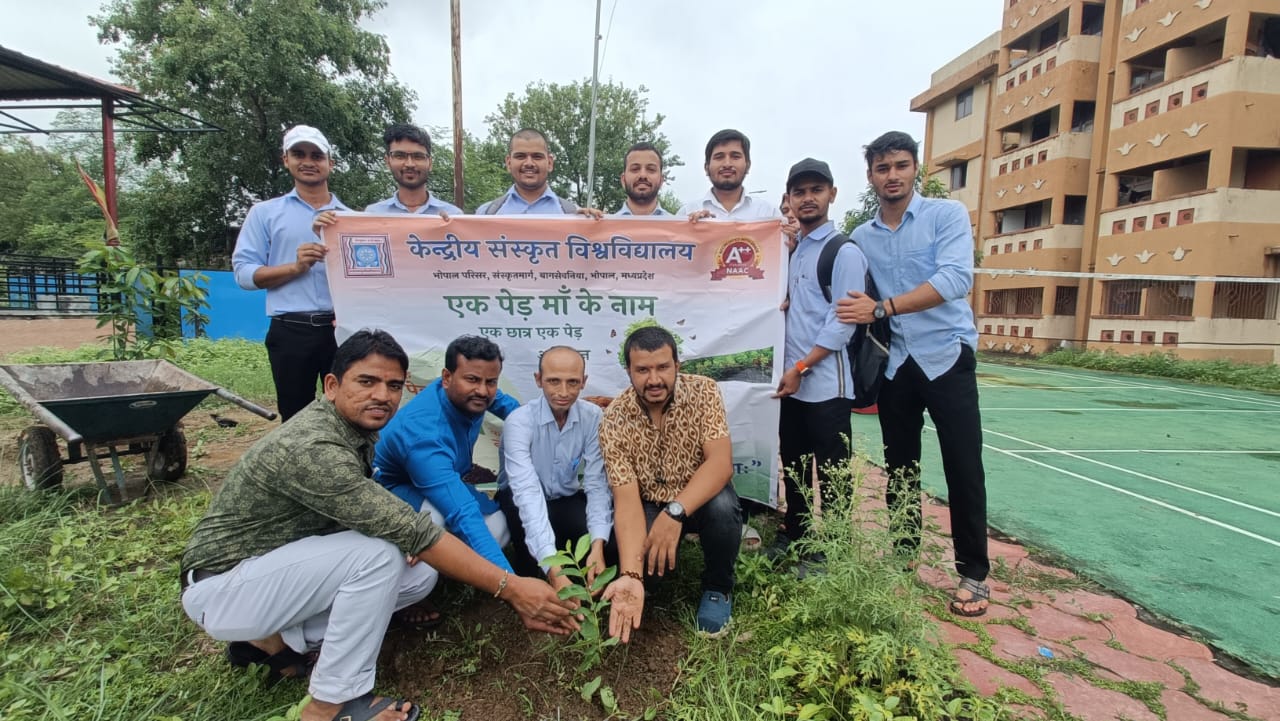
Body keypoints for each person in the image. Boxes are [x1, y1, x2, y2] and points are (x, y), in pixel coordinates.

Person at [180, 330, 575, 721]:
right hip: (225, 584)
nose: (382, 395)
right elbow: (425, 528)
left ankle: (274, 641)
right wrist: (512, 587)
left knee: (416, 577)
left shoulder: (350, 427)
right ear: (332, 385)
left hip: (275, 573)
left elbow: (507, 409)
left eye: (393, 385)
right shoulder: (316, 448)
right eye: (366, 382)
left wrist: (566, 412)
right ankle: (329, 704)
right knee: (382, 554)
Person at [835, 130, 990, 617]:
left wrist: (883, 308)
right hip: (897, 363)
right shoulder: (862, 235)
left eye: (901, 166)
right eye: (883, 169)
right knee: (900, 465)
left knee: (963, 464)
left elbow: (954, 279)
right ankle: (904, 557)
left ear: (916, 169)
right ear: (871, 177)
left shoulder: (946, 216)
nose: (893, 176)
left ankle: (974, 573)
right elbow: (839, 283)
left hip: (946, 356)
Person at [597, 326, 740, 640]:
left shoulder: (704, 391)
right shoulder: (614, 419)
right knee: (642, 567)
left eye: (663, 367)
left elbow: (720, 464)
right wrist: (631, 573)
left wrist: (675, 512)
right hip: (648, 501)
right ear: (629, 371)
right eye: (642, 370)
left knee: (723, 507)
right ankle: (642, 580)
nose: (654, 379)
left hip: (698, 496)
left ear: (677, 365)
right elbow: (626, 501)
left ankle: (718, 588)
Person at [769, 159, 868, 562]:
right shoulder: (792, 251)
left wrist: (801, 367)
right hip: (791, 384)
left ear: (832, 194)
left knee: (832, 476)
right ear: (789, 199)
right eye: (799, 192)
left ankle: (835, 550)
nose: (807, 199)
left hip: (825, 386)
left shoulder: (842, 252)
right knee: (794, 469)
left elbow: (841, 325)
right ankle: (798, 535)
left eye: (816, 190)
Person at [374, 335, 519, 573]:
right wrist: (514, 585)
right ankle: (409, 579)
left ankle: (446, 561)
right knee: (434, 523)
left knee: (498, 530)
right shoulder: (424, 436)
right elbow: (463, 512)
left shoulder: (471, 394)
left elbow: (511, 409)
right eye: (472, 379)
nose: (482, 390)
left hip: (439, 479)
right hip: (393, 489)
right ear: (447, 378)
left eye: (490, 381)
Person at [232, 125, 348, 421]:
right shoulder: (265, 213)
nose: (308, 161)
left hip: (342, 329)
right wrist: (295, 268)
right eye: (299, 154)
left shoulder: (349, 219)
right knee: (295, 415)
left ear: (330, 163)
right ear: (286, 160)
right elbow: (244, 274)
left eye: (316, 155)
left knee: (348, 410)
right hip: (291, 330)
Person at [496, 346, 614, 590]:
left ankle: (561, 546)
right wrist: (553, 569)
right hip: (518, 499)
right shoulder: (519, 422)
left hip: (563, 497)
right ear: (538, 380)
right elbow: (526, 492)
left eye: (572, 382)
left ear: (584, 382)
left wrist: (598, 545)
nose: (563, 392)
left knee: (608, 552)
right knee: (530, 571)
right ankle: (539, 558)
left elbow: (596, 483)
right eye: (553, 382)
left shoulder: (593, 417)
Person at [475, 128, 601, 217]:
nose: (529, 163)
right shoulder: (486, 213)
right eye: (520, 156)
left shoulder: (573, 214)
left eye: (537, 157)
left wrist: (597, 226)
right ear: (508, 163)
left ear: (550, 163)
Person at [677, 129, 782, 221]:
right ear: (706, 167)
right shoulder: (686, 214)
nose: (727, 164)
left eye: (735, 157)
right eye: (719, 157)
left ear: (748, 165)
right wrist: (691, 230)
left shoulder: (768, 213)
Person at [366, 123, 462, 216]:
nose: (409, 164)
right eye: (400, 156)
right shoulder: (372, 215)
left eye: (418, 156)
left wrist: (448, 228)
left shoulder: (453, 215)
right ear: (387, 162)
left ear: (430, 163)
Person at [615, 142, 671, 216]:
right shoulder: (604, 226)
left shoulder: (680, 226)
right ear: (623, 180)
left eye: (651, 169)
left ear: (661, 180)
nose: (643, 175)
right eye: (635, 169)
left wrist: (691, 227)